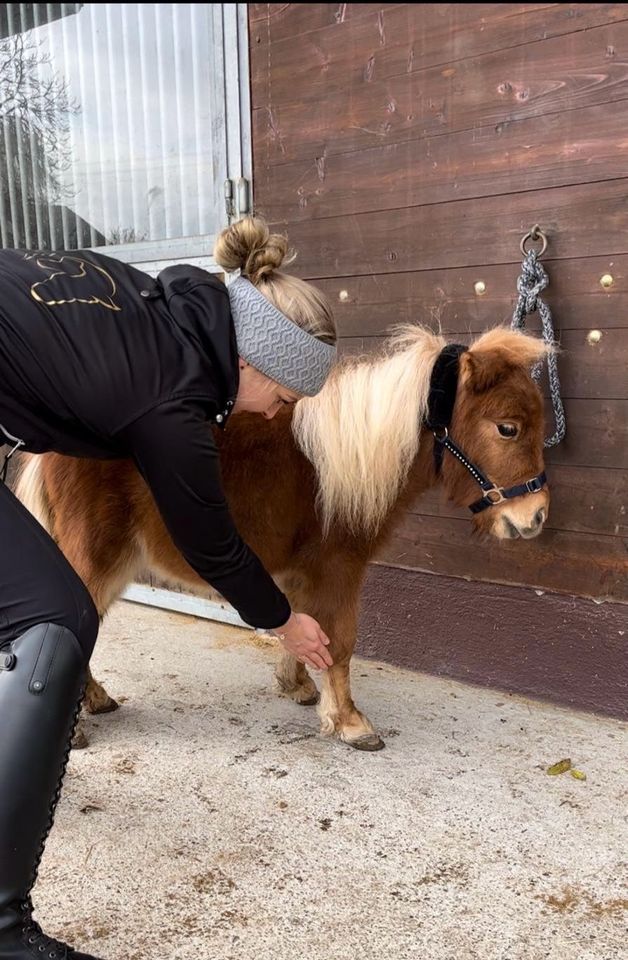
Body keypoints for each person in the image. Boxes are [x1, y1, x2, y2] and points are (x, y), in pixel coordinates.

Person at [0, 216, 337, 959]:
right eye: (283, 397)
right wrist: (284, 622)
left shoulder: (155, 304)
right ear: (253, 361)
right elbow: (211, 541)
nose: (278, 415)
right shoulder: (171, 396)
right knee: (54, 619)